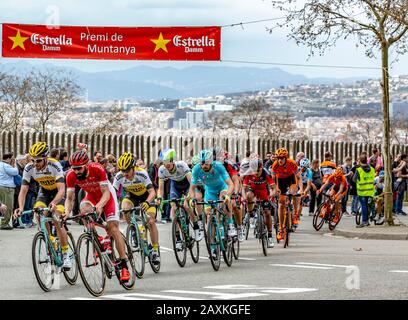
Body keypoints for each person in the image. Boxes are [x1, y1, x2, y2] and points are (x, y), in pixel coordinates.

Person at [65, 150, 131, 281]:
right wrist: (67, 212)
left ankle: (124, 265)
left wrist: (100, 206)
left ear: (86, 165)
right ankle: (98, 239)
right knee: (83, 210)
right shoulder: (71, 175)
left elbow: (106, 192)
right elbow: (70, 198)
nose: (76, 171)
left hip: (107, 197)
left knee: (113, 228)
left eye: (79, 168)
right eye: (74, 168)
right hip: (91, 196)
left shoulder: (97, 169)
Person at [14, 142, 72, 269]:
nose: (35, 164)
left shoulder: (55, 165)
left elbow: (62, 189)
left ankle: (66, 254)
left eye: (38, 161)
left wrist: (54, 203)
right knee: (39, 213)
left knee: (57, 218)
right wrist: (21, 208)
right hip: (44, 192)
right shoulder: (29, 168)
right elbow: (23, 190)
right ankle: (51, 240)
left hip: (57, 193)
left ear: (45, 158)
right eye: (33, 160)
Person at [114, 152, 160, 264]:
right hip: (132, 196)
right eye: (122, 170)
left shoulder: (142, 173)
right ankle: (133, 230)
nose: (124, 174)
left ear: (133, 167)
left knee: (151, 221)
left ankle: (155, 249)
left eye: (127, 171)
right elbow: (113, 194)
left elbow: (152, 191)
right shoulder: (119, 176)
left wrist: (148, 202)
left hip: (146, 196)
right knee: (125, 208)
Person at [188, 149, 236, 258]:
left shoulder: (218, 166)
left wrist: (228, 195)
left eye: (206, 163)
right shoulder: (196, 169)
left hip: (222, 188)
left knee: (224, 200)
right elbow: (192, 188)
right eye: (202, 163)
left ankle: (230, 223)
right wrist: (192, 198)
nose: (204, 166)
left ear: (211, 162)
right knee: (209, 218)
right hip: (210, 192)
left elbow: (230, 184)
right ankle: (213, 248)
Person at [242, 157, 277, 247]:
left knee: (267, 213)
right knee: (249, 195)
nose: (256, 173)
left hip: (263, 192)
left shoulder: (266, 174)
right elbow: (244, 188)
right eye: (254, 170)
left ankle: (269, 236)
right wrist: (244, 197)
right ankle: (251, 214)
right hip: (253, 190)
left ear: (261, 167)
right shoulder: (249, 173)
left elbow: (274, 189)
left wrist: (271, 196)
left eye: (257, 170)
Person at [271, 148, 300, 240]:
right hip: (280, 181)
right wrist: (275, 190)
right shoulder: (275, 165)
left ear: (286, 158)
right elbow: (273, 180)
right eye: (278, 158)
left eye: (282, 158)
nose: (280, 160)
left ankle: (295, 214)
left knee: (293, 192)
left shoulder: (292, 163)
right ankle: (280, 228)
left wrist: (300, 189)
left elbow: (298, 177)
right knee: (281, 203)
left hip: (291, 179)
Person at [353, 155, 376, 227]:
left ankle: (364, 221)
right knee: (368, 206)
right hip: (370, 191)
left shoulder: (359, 170)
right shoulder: (372, 169)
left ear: (360, 160)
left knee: (364, 206)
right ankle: (368, 220)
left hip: (362, 192)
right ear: (367, 160)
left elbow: (354, 179)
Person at [0, 152, 19, 229]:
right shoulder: (6, 166)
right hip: (7, 187)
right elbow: (16, 172)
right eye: (12, 158)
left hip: (2, 186)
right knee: (9, 206)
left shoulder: (1, 164)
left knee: (2, 205)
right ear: (8, 159)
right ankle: (4, 224)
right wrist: (15, 164)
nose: (12, 160)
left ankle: (4, 222)